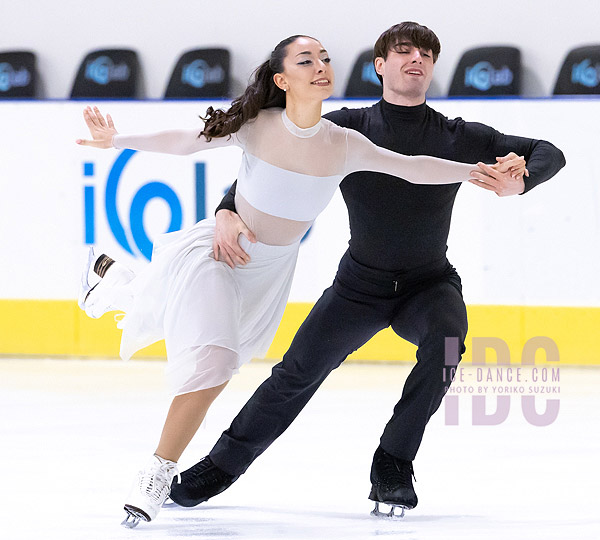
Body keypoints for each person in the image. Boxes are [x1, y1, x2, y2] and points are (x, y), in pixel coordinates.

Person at [75, 35, 501, 528]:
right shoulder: (254, 125)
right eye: (306, 60)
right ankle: (156, 474)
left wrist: (476, 171)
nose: (320, 66)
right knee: (212, 361)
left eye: (324, 58)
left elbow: (410, 169)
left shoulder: (343, 143)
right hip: (221, 252)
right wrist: (120, 141)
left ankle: (115, 283)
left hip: (269, 272)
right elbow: (185, 142)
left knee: (199, 339)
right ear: (281, 79)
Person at [169, 22, 566, 518]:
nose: (414, 59)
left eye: (425, 53)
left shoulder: (459, 136)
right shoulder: (344, 129)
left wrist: (522, 181)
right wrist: (227, 209)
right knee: (295, 373)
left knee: (446, 346)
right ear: (380, 65)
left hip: (429, 285)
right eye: (402, 51)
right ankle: (220, 467)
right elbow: (269, 166)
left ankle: (394, 461)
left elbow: (550, 152)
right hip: (360, 286)